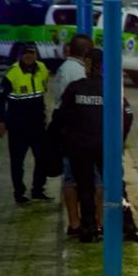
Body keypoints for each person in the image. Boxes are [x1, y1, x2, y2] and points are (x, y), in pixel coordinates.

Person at [52, 49, 138, 242]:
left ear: (89, 65)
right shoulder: (113, 89)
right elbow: (128, 114)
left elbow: (61, 117)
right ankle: (127, 225)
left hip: (80, 147)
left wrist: (64, 140)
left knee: (85, 187)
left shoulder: (75, 88)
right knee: (116, 186)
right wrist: (119, 140)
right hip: (106, 147)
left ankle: (89, 228)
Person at [0, 44, 51, 203]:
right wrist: (1, 120)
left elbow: (44, 85)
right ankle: (19, 193)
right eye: (25, 54)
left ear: (36, 55)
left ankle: (38, 190)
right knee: (17, 162)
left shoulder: (42, 68)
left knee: (42, 159)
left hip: (38, 125)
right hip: (18, 127)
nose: (29, 56)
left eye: (32, 53)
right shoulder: (12, 74)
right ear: (20, 56)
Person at [51, 35, 92, 236]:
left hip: (65, 128)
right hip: (76, 131)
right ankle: (79, 222)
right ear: (85, 53)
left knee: (69, 179)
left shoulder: (63, 69)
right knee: (77, 178)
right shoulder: (77, 71)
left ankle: (74, 223)